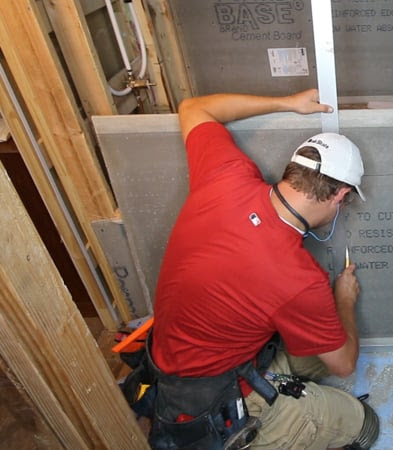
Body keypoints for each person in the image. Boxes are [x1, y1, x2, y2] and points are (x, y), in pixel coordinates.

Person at [147, 89, 379, 449]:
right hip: (217, 401)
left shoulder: (227, 176)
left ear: (294, 170)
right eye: (345, 203)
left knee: (316, 351)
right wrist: (343, 300)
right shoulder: (299, 279)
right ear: (341, 195)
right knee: (361, 424)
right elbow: (345, 364)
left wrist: (288, 103)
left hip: (183, 360)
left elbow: (195, 107)